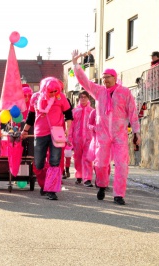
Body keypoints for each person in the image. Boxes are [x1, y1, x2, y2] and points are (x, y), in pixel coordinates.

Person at [71, 49, 141, 205]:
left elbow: (133, 113)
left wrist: (136, 132)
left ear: (114, 78)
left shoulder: (124, 92)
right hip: (103, 135)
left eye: (107, 78)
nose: (104, 80)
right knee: (101, 164)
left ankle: (118, 194)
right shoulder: (99, 91)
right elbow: (85, 82)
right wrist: (76, 64)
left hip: (119, 134)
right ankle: (102, 185)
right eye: (103, 78)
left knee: (122, 165)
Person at [21, 77, 73, 200]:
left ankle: (51, 190)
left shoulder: (61, 97)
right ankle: (44, 185)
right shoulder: (35, 97)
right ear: (44, 89)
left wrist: (67, 128)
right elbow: (31, 116)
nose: (54, 94)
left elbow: (68, 113)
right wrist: (25, 131)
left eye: (56, 91)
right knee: (38, 163)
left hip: (57, 133)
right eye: (51, 92)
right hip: (40, 134)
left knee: (54, 161)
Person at [68, 91, 94, 187]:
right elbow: (71, 126)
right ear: (79, 99)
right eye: (81, 97)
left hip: (89, 138)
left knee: (87, 158)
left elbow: (95, 124)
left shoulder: (92, 111)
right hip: (77, 138)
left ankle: (87, 179)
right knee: (77, 158)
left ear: (88, 98)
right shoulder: (75, 111)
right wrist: (69, 138)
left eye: (85, 97)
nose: (83, 99)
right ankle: (79, 175)